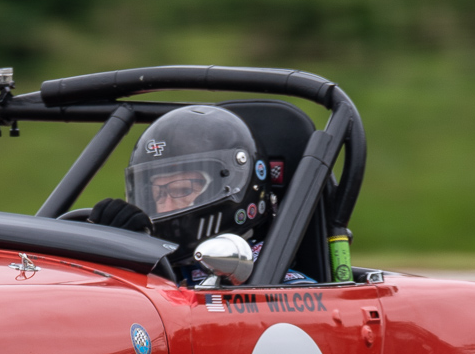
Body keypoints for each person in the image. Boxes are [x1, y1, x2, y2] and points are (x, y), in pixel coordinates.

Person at [83, 104, 312, 284]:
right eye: (156, 194)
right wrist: (113, 262)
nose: (164, 207)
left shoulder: (280, 283)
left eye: (181, 189)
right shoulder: (157, 270)